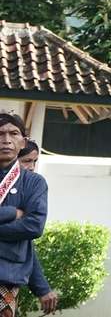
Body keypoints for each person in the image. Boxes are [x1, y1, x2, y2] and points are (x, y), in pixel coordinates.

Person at [0, 114, 47, 317]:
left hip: (6, 274)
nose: (6, 139)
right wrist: (12, 213)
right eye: (0, 133)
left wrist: (42, 287)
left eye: (14, 133)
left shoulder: (34, 183)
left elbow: (34, 225)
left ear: (23, 141)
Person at [17, 143, 58, 315]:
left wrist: (42, 288)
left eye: (35, 161)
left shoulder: (31, 186)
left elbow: (27, 238)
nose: (32, 167)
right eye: (26, 161)